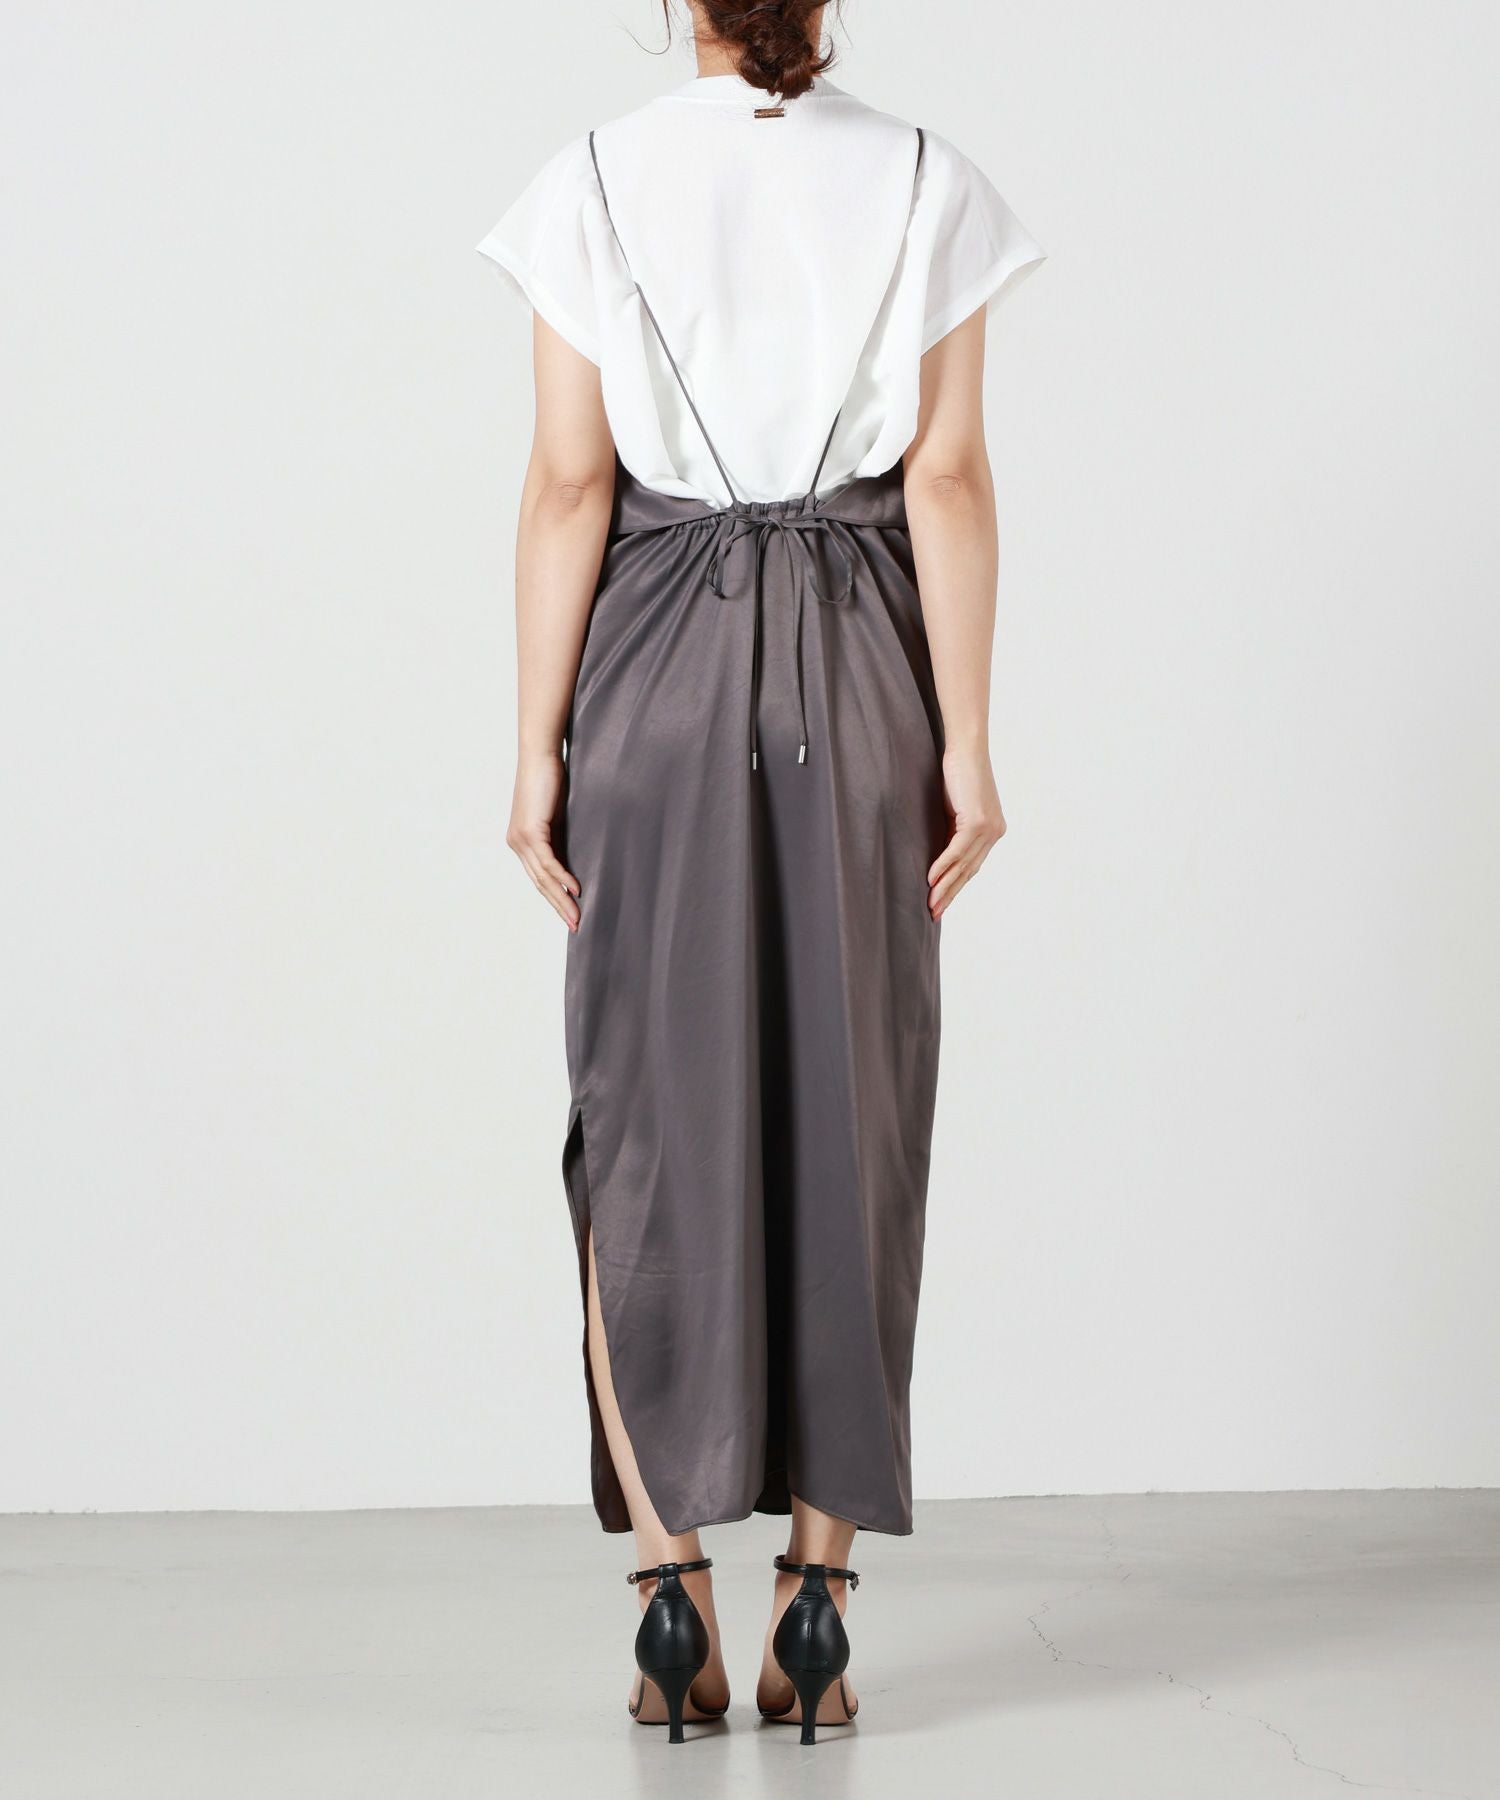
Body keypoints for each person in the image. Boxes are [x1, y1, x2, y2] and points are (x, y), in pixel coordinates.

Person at [476, 0, 1043, 1745]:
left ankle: (671, 1598)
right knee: (852, 1120)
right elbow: (945, 474)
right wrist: (965, 741)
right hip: (865, 671)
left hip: (648, 668)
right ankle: (819, 1602)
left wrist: (536, 746)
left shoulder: (591, 179)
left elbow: (571, 482)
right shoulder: (930, 179)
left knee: (640, 1126)